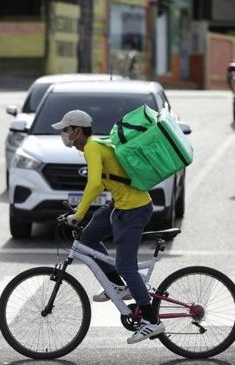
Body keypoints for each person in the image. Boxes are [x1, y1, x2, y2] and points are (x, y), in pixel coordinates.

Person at [51, 109, 164, 344]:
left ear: (77, 131)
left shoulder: (92, 147)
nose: (63, 133)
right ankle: (118, 286)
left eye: (66, 129)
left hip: (133, 209)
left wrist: (79, 213)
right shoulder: (94, 145)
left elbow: (93, 184)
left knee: (125, 265)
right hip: (120, 205)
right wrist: (78, 211)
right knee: (87, 238)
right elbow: (106, 182)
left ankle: (152, 320)